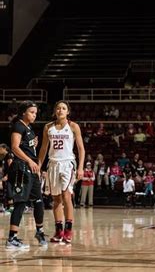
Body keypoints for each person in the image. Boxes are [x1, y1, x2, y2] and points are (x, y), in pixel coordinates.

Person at [38, 100, 85, 244]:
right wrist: (39, 166)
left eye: (63, 108)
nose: (60, 110)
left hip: (67, 164)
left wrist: (81, 167)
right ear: (55, 111)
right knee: (56, 199)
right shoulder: (48, 127)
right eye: (58, 108)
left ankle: (68, 230)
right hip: (53, 164)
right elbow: (44, 149)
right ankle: (59, 231)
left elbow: (81, 148)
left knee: (66, 196)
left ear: (68, 111)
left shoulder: (73, 126)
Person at [5, 101, 47, 249]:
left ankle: (40, 232)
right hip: (21, 167)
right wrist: (30, 160)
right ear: (24, 112)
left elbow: (24, 146)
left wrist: (33, 145)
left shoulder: (29, 128)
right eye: (31, 112)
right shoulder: (18, 125)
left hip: (32, 168)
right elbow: (15, 147)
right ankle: (12, 238)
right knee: (21, 202)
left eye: (35, 113)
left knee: (38, 201)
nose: (34, 115)